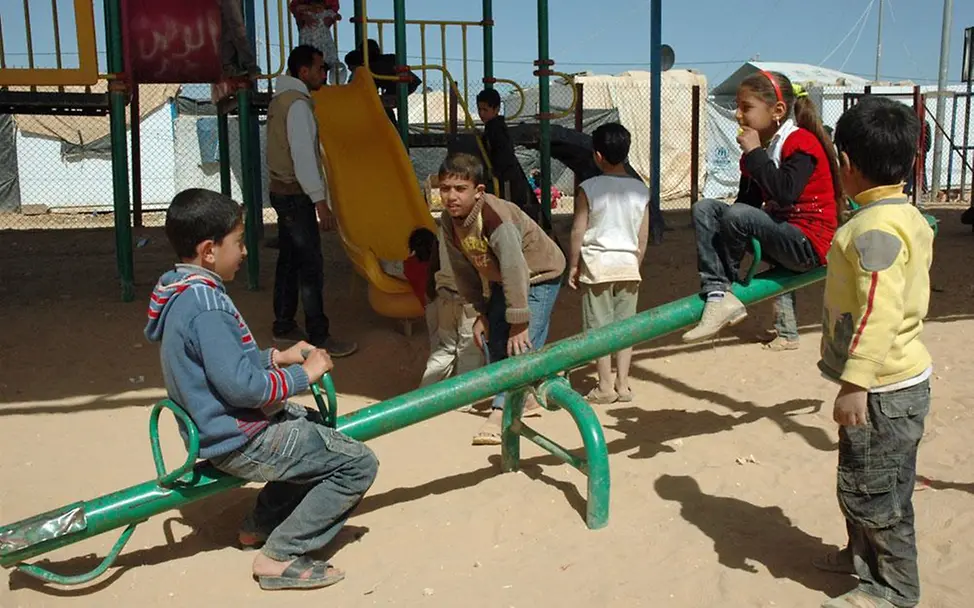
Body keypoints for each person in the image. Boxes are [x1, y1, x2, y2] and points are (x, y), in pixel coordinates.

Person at [145, 188, 378, 591]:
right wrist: (305, 374)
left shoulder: (180, 292)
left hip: (212, 429)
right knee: (357, 464)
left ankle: (261, 523)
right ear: (208, 251)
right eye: (238, 242)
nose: (245, 252)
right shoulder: (208, 307)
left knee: (311, 427)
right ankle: (280, 554)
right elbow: (243, 388)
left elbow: (221, 364)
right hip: (238, 438)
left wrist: (278, 358)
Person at [815, 96, 933, 608]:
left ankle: (892, 590)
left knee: (877, 493)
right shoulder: (902, 213)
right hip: (896, 383)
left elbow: (878, 310)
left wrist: (856, 381)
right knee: (870, 479)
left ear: (848, 165)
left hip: (882, 388)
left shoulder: (875, 230)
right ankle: (862, 559)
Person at [682, 71, 841, 348]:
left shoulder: (800, 142)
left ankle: (726, 288)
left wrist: (755, 154)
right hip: (782, 236)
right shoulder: (762, 151)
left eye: (746, 108)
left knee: (738, 214)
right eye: (737, 107)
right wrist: (753, 157)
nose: (738, 116)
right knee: (704, 208)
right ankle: (717, 292)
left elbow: (786, 192)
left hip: (809, 245)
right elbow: (749, 202)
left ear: (777, 110)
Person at [437, 152, 565, 445]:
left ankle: (500, 410)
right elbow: (463, 268)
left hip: (538, 276)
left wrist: (520, 321)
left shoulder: (495, 218)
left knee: (519, 344)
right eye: (445, 188)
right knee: (493, 340)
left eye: (460, 189)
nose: (451, 196)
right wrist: (480, 310)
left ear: (478, 191)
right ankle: (527, 400)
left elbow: (514, 267)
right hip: (501, 280)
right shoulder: (449, 221)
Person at [267, 45, 357, 357]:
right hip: (296, 194)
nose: (324, 74)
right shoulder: (299, 106)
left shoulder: (281, 99)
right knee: (310, 265)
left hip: (282, 190)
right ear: (303, 72)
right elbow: (304, 158)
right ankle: (320, 335)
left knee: (290, 259)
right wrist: (320, 201)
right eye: (321, 69)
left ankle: (283, 323)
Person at [567, 123, 649, 404]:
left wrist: (574, 265)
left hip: (597, 264)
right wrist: (635, 262)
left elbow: (579, 229)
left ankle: (604, 385)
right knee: (625, 327)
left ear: (598, 155)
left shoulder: (588, 188)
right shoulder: (640, 190)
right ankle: (623, 384)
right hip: (628, 264)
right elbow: (642, 235)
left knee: (598, 328)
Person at [414, 227, 483, 387]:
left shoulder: (443, 227)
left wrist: (431, 292)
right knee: (469, 352)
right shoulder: (479, 227)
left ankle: (426, 394)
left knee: (445, 349)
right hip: (469, 300)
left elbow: (434, 263)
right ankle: (464, 399)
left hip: (445, 296)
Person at [476, 88, 543, 225]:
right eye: (479, 109)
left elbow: (503, 154)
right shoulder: (494, 127)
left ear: (496, 109)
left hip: (505, 177)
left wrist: (496, 172)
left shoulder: (496, 129)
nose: (481, 114)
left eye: (485, 110)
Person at [344, 39, 421, 125]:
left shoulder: (372, 68)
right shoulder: (383, 60)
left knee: (378, 104)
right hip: (408, 82)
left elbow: (371, 88)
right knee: (381, 103)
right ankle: (392, 125)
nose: (348, 69)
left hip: (402, 84)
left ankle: (391, 126)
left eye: (350, 66)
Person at [289, 0, 345, 85]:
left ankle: (332, 82)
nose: (317, 9)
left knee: (327, 63)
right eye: (315, 7)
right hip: (311, 42)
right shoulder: (307, 13)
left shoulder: (325, 13)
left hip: (322, 43)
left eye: (320, 7)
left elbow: (335, 15)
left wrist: (335, 17)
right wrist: (305, 14)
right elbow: (296, 8)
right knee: (310, 61)